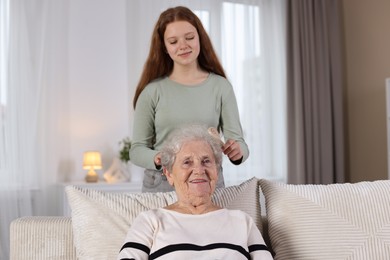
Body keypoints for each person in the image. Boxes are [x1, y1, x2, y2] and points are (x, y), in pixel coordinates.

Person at [130, 6, 249, 192]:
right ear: (165, 48)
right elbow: (137, 150)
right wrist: (161, 158)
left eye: (190, 37)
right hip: (163, 181)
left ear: (200, 38)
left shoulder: (221, 87)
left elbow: (239, 142)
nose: (183, 45)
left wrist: (237, 151)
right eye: (173, 41)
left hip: (208, 181)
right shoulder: (152, 91)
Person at [118, 125, 273, 260]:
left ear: (216, 171)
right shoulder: (150, 221)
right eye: (187, 162)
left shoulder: (242, 221)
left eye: (206, 161)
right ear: (169, 174)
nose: (199, 170)